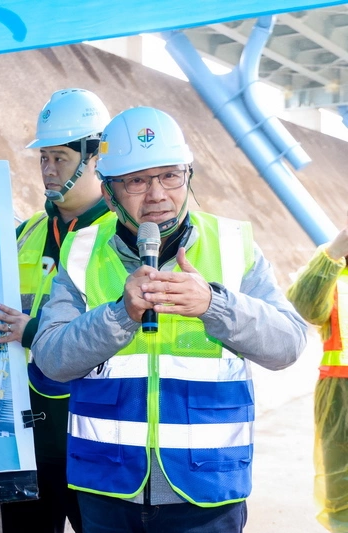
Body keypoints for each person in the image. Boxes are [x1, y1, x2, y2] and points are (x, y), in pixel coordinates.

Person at [31, 106, 307, 533]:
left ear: (188, 176)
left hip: (208, 491)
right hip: (107, 491)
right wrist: (119, 315)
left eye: (170, 176)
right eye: (137, 181)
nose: (157, 195)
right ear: (109, 193)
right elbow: (51, 358)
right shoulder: (82, 252)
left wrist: (214, 304)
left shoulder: (233, 245)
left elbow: (288, 344)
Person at [0, 88, 113, 533]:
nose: (48, 169)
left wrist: (33, 330)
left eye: (60, 157)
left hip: (97, 439)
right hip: (28, 442)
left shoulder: (121, 238)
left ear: (95, 156)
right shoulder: (24, 234)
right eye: (44, 157)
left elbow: (122, 328)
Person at [286, 218, 348, 532]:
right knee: (341, 484)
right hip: (340, 395)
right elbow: (302, 307)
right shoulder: (333, 273)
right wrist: (333, 253)